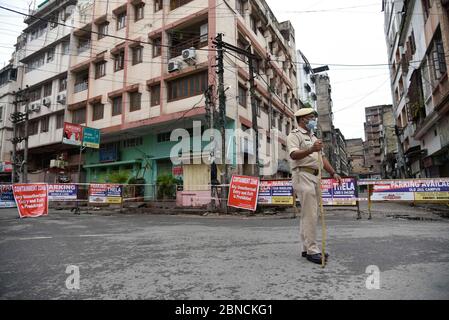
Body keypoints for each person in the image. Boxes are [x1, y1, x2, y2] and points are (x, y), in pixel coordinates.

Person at [287, 107, 342, 265]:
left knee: (309, 213)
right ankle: (312, 250)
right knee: (310, 213)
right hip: (302, 174)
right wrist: (311, 149)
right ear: (302, 119)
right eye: (311, 117)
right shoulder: (294, 135)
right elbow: (293, 154)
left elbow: (322, 158)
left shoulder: (313, 137)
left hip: (315, 176)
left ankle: (306, 247)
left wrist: (333, 173)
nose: (313, 120)